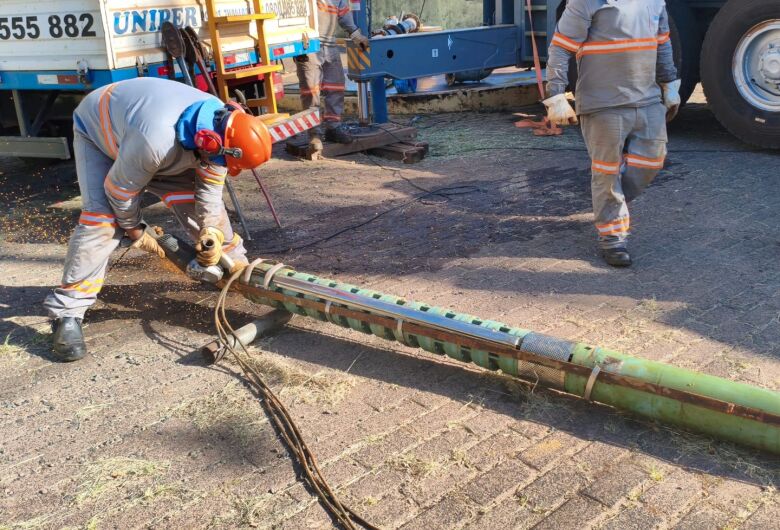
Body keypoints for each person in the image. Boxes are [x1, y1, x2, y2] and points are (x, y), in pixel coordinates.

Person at [43, 77, 272, 362]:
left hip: (158, 147)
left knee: (197, 206)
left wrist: (211, 233)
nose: (221, 166)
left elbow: (209, 193)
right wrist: (136, 231)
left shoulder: (221, 130)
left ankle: (234, 269)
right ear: (208, 142)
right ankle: (67, 312)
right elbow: (119, 191)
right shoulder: (156, 141)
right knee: (102, 220)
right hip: (101, 133)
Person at [544, 0, 681, 267]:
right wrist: (556, 94)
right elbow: (560, 47)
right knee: (606, 171)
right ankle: (613, 238)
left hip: (647, 99)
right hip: (602, 104)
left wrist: (669, 82)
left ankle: (608, 203)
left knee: (652, 161)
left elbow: (663, 42)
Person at [294, 0, 369, 146]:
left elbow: (344, 14)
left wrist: (356, 35)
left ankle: (333, 128)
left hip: (329, 44)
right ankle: (314, 134)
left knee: (336, 86)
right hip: (307, 44)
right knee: (311, 91)